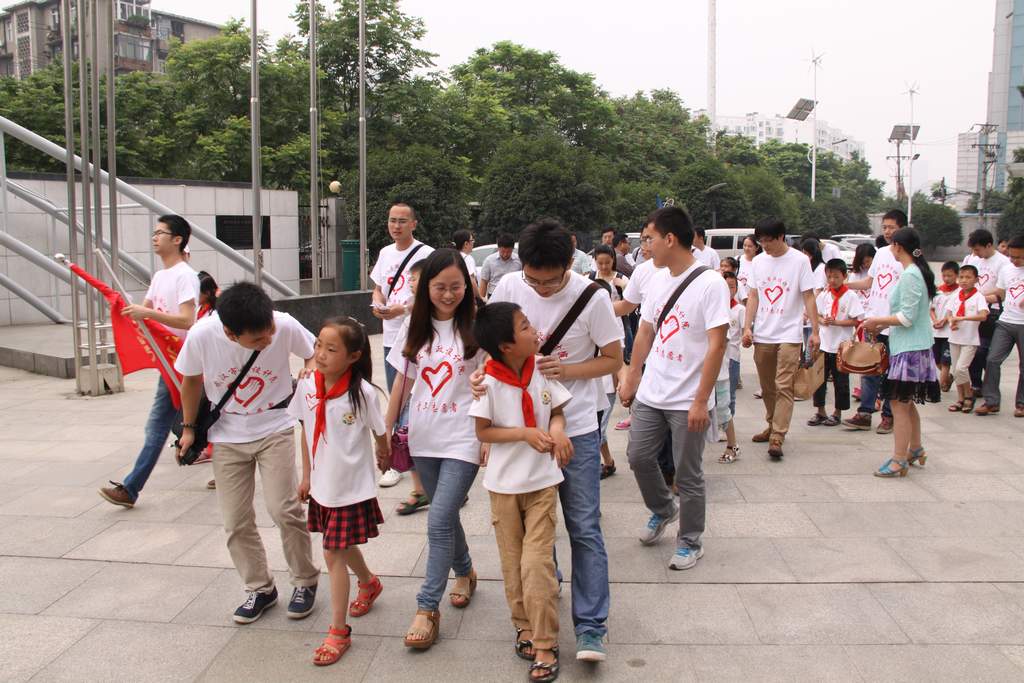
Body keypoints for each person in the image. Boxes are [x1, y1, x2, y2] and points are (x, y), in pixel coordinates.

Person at [486, 219, 623, 663]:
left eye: (552, 281)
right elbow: (490, 347)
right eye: (535, 281)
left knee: (583, 525)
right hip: (524, 433)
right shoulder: (510, 286)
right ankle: (546, 589)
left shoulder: (592, 297)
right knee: (531, 530)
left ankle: (591, 626)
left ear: (570, 264)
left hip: (576, 426)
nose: (542, 290)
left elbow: (612, 360)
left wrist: (570, 370)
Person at [175, 283, 320, 623]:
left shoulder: (282, 323)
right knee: (235, 520)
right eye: (257, 340)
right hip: (227, 435)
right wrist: (189, 428)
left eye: (269, 333)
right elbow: (191, 381)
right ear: (230, 333)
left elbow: (312, 349)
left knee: (284, 509)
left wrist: (310, 369)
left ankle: (305, 580)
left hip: (275, 425)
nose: (267, 341)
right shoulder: (202, 335)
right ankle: (260, 588)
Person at [618, 205, 728, 570]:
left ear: (670, 239)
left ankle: (690, 540)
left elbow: (717, 345)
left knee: (688, 473)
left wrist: (701, 401)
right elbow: (645, 331)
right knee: (638, 456)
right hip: (653, 390)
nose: (645, 246)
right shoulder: (656, 278)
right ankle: (664, 509)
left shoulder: (710, 283)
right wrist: (633, 375)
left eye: (649, 239)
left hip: (688, 398)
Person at [386, 249, 484, 651]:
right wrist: (385, 431)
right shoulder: (415, 325)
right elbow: (402, 382)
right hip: (422, 436)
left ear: (468, 286)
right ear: (426, 288)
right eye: (440, 287)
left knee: (439, 518)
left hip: (464, 437)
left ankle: (427, 608)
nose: (448, 294)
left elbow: (493, 381)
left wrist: (488, 434)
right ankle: (465, 570)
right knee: (445, 516)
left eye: (456, 286)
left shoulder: (479, 325)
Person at [470, 302, 572, 683]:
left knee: (536, 563)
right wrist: (525, 434)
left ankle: (545, 641)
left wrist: (556, 430)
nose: (534, 331)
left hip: (542, 482)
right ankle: (523, 624)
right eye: (525, 326)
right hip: (503, 487)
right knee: (513, 563)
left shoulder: (540, 368)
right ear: (506, 345)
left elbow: (557, 411)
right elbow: (483, 431)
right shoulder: (488, 381)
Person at [289, 318, 390, 666]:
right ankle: (368, 582)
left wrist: (384, 452)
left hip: (350, 487)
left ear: (353, 356)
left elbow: (379, 430)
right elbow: (306, 431)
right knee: (340, 546)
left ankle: (338, 631)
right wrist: (307, 476)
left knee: (332, 552)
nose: (320, 354)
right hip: (322, 485)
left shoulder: (362, 393)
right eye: (318, 345)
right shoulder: (306, 385)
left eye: (331, 349)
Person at [99, 215, 198, 508]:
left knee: (160, 425)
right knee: (189, 421)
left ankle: (131, 489)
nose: (155, 238)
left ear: (177, 239)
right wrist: (124, 309)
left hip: (182, 361)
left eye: (160, 233)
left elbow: (187, 320)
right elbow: (143, 313)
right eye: (154, 233)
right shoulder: (159, 276)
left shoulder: (185, 275)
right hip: (169, 362)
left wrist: (147, 314)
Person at [862, 228, 940, 477]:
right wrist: (882, 325)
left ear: (897, 246)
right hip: (912, 346)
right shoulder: (917, 272)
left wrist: (876, 321)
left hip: (910, 349)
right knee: (905, 403)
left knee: (898, 404)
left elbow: (906, 317)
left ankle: (899, 459)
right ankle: (915, 448)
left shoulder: (910, 275)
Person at [741, 218, 820, 460]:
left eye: (768, 241)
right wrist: (747, 327)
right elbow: (753, 296)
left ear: (781, 237)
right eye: (761, 241)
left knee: (783, 385)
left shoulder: (799, 261)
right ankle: (771, 423)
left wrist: (816, 331)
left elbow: (809, 296)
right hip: (764, 333)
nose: (764, 245)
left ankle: (778, 434)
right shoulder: (759, 262)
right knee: (767, 387)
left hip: (789, 333)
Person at [371, 203, 434, 489]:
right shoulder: (385, 253)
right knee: (396, 397)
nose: (396, 226)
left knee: (413, 399)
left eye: (402, 221)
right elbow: (378, 288)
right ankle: (399, 459)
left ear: (414, 224)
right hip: (390, 337)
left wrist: (403, 309)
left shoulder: (426, 254)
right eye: (392, 220)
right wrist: (378, 303)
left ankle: (413, 458)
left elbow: (431, 294)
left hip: (418, 334)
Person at [842, 209, 907, 434]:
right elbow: (869, 283)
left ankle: (889, 415)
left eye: (892, 228)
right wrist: (843, 286)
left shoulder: (908, 258)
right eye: (885, 227)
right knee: (869, 368)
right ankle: (865, 413)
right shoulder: (880, 253)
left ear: (903, 228)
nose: (887, 232)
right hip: (873, 322)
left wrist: (887, 322)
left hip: (893, 325)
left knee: (891, 373)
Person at [611, 237, 662, 433]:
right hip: (647, 346)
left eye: (649, 239)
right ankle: (636, 415)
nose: (644, 247)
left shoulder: (698, 276)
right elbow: (627, 305)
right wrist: (594, 310)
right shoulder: (642, 270)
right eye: (643, 240)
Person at [809, 259, 864, 427]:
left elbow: (856, 320)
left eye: (836, 277)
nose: (832, 280)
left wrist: (837, 322)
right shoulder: (824, 295)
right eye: (829, 277)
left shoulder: (850, 296)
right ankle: (820, 411)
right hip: (823, 343)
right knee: (818, 379)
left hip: (841, 345)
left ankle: (837, 412)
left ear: (844, 276)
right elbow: (815, 314)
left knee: (841, 381)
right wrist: (822, 321)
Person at [962, 229, 1012, 399]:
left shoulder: (1003, 263)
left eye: (978, 249)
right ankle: (976, 384)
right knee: (971, 349)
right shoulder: (973, 259)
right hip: (971, 310)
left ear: (989, 245)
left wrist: (978, 297)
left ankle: (989, 387)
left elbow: (1001, 292)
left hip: (992, 312)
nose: (975, 253)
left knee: (984, 351)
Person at [978, 235, 1024, 417]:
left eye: (1018, 257)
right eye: (1011, 256)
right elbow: (1000, 294)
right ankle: (991, 401)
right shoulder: (1007, 270)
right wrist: (978, 298)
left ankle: (1021, 404)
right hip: (1006, 321)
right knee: (992, 359)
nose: (1013, 260)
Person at [944, 265, 988, 414]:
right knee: (956, 371)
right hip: (954, 338)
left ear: (976, 279)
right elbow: (949, 312)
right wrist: (951, 320)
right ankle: (960, 398)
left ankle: (969, 395)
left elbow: (983, 315)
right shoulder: (956, 295)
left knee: (961, 368)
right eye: (961, 277)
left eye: (968, 277)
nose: (964, 280)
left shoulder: (978, 297)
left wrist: (963, 318)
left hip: (970, 339)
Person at [718, 272, 743, 463]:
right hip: (695, 370)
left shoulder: (730, 311)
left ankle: (732, 445)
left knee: (723, 406)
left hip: (720, 368)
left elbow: (721, 342)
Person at [592, 245, 632, 359]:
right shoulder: (590, 278)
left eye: (607, 262)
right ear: (595, 261)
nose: (604, 266)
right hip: (594, 323)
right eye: (600, 263)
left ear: (613, 260)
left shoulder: (622, 279)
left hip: (616, 323)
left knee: (616, 357)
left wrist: (624, 286)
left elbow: (631, 303)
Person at [850, 243, 876, 401]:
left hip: (874, 318)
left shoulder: (877, 273)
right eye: (863, 262)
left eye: (868, 261)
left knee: (874, 354)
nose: (866, 265)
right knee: (863, 353)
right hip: (860, 320)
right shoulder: (855, 275)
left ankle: (873, 390)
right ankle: (863, 387)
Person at [931, 262, 960, 392]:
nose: (946, 278)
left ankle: (942, 384)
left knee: (945, 361)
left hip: (949, 333)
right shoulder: (937, 291)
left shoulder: (959, 292)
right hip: (935, 332)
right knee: (937, 360)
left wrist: (945, 320)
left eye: (950, 275)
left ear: (957, 275)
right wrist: (935, 320)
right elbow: (931, 309)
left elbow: (956, 311)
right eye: (944, 275)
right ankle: (948, 379)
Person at [480, 233, 522, 300]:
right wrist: (481, 300)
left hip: (513, 295)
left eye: (508, 252)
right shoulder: (489, 260)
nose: (505, 254)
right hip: (494, 294)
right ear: (498, 248)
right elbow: (484, 281)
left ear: (512, 249)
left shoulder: (519, 260)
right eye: (502, 251)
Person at [453, 229, 480, 300]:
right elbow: (472, 280)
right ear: (466, 244)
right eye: (472, 240)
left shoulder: (453, 256)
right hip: (467, 297)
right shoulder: (467, 258)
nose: (473, 242)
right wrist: (480, 297)